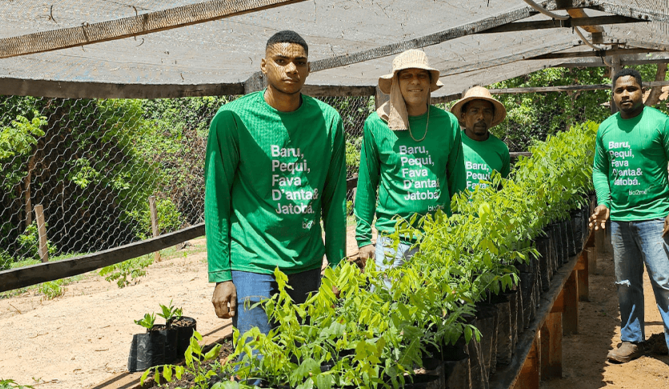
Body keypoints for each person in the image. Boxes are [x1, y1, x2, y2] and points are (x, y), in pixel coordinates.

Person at [204, 30, 347, 337]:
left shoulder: (328, 121)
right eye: (281, 60)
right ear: (264, 66)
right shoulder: (233, 119)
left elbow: (334, 200)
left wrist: (337, 265)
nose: (291, 68)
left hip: (307, 260)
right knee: (256, 364)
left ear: (308, 69)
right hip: (252, 262)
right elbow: (216, 199)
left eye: (300, 62)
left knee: (306, 358)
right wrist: (221, 275)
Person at [589, 68, 669, 379]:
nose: (625, 95)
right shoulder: (606, 129)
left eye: (631, 89)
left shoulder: (660, 123)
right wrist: (605, 201)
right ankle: (631, 339)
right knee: (626, 283)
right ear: (613, 94)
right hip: (621, 221)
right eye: (619, 90)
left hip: (655, 219)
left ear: (643, 92)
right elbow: (600, 169)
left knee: (665, 284)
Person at [354, 49, 467, 270]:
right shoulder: (376, 124)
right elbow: (367, 184)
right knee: (390, 303)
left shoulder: (448, 123)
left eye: (421, 75)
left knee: (441, 303)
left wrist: (462, 229)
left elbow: (458, 183)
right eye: (407, 75)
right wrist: (364, 238)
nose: (415, 81)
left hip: (439, 237)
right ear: (396, 81)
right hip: (393, 241)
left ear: (430, 82)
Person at [451, 85, 511, 191]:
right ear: (464, 116)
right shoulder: (453, 144)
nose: (481, 117)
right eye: (474, 111)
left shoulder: (501, 149)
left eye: (487, 111)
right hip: (458, 207)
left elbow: (504, 188)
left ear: (492, 117)